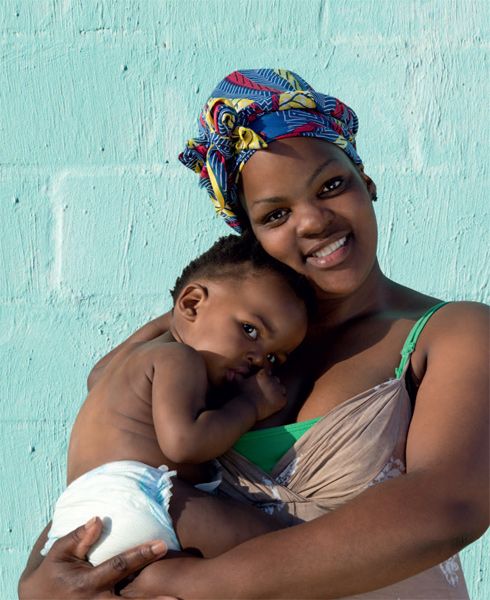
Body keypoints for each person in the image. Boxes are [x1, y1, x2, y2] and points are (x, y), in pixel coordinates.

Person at [19, 69, 489, 600]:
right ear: (251, 233)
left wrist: (201, 582)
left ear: (367, 180)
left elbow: (449, 506)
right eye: (276, 214)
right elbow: (120, 469)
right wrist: (42, 578)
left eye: (332, 185)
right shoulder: (218, 346)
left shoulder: (453, 333)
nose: (312, 222)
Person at [39, 232, 312, 566]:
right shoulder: (180, 359)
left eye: (274, 359)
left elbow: (95, 375)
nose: (258, 358)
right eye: (250, 330)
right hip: (140, 499)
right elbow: (185, 443)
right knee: (287, 547)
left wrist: (175, 317)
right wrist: (250, 404)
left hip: (77, 516)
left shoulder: (128, 364)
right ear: (191, 304)